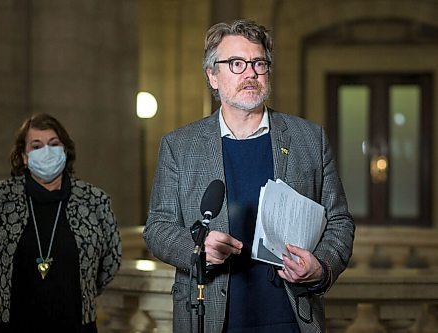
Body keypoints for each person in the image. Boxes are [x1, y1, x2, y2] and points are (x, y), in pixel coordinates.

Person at [143, 19, 355, 333]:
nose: (250, 73)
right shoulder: (179, 146)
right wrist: (197, 248)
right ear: (212, 76)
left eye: (259, 63)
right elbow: (157, 228)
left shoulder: (309, 139)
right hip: (211, 317)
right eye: (237, 64)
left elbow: (339, 221)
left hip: (293, 316)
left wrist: (321, 267)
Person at [0, 113, 121, 333]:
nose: (46, 152)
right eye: (36, 146)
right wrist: (0, 293)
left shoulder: (94, 200)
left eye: (53, 144)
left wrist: (85, 291)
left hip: (75, 323)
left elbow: (111, 260)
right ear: (24, 156)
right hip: (14, 323)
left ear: (65, 150)